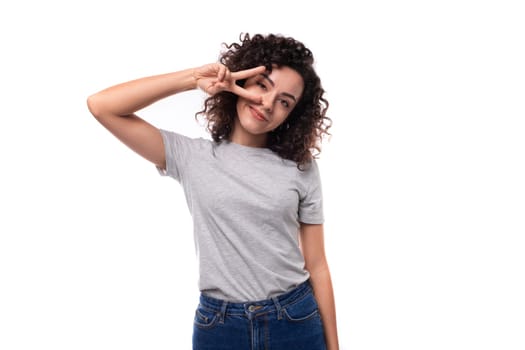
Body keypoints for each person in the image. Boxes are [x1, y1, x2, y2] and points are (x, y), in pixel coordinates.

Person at [87, 33, 339, 350]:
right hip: (220, 327)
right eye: (262, 85)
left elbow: (316, 264)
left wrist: (334, 347)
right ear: (242, 78)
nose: (267, 103)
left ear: (292, 116)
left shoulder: (300, 167)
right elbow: (102, 106)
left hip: (295, 319)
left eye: (284, 102)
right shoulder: (191, 157)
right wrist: (193, 78)